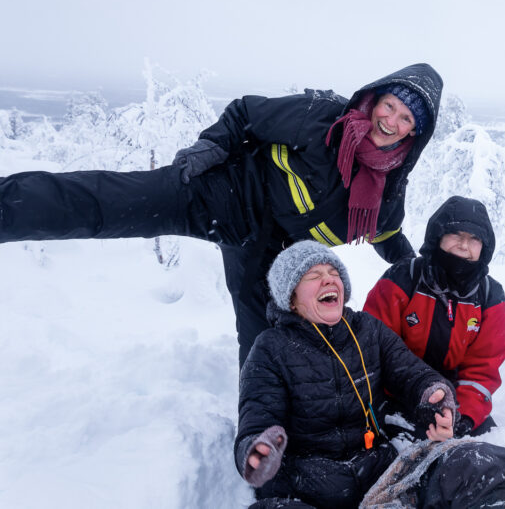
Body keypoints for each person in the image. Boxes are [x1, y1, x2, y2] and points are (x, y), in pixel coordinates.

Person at [0, 63, 442, 364]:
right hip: (222, 192)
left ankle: (262, 432)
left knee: (262, 339)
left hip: (269, 248)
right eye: (390, 106)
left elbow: (387, 235)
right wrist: (212, 144)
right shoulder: (322, 119)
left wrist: (422, 269)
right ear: (374, 100)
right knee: (107, 202)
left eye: (406, 119)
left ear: (414, 133)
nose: (392, 121)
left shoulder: (388, 191)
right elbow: (247, 113)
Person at [236, 241, 505, 509]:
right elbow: (257, 418)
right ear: (291, 298)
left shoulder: (366, 329)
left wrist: (434, 395)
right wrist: (259, 451)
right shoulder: (269, 348)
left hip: (378, 473)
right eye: (313, 276)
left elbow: (410, 372)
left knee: (485, 469)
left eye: (333, 272)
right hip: (306, 486)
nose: (328, 278)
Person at [364, 196, 505, 437]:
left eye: (475, 239)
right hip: (397, 394)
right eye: (456, 235)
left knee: (486, 454)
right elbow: (373, 347)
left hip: (455, 401)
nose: (464, 245)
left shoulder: (489, 295)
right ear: (438, 236)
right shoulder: (403, 278)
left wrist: (460, 416)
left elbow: (483, 368)